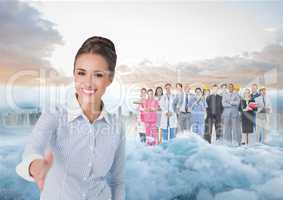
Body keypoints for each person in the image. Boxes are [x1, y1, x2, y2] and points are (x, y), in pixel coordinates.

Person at [16, 36, 125, 200]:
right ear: (74, 75)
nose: (87, 83)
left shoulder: (117, 125)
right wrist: (35, 166)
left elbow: (118, 181)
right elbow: (31, 152)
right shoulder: (54, 115)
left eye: (98, 75)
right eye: (81, 73)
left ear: (110, 79)